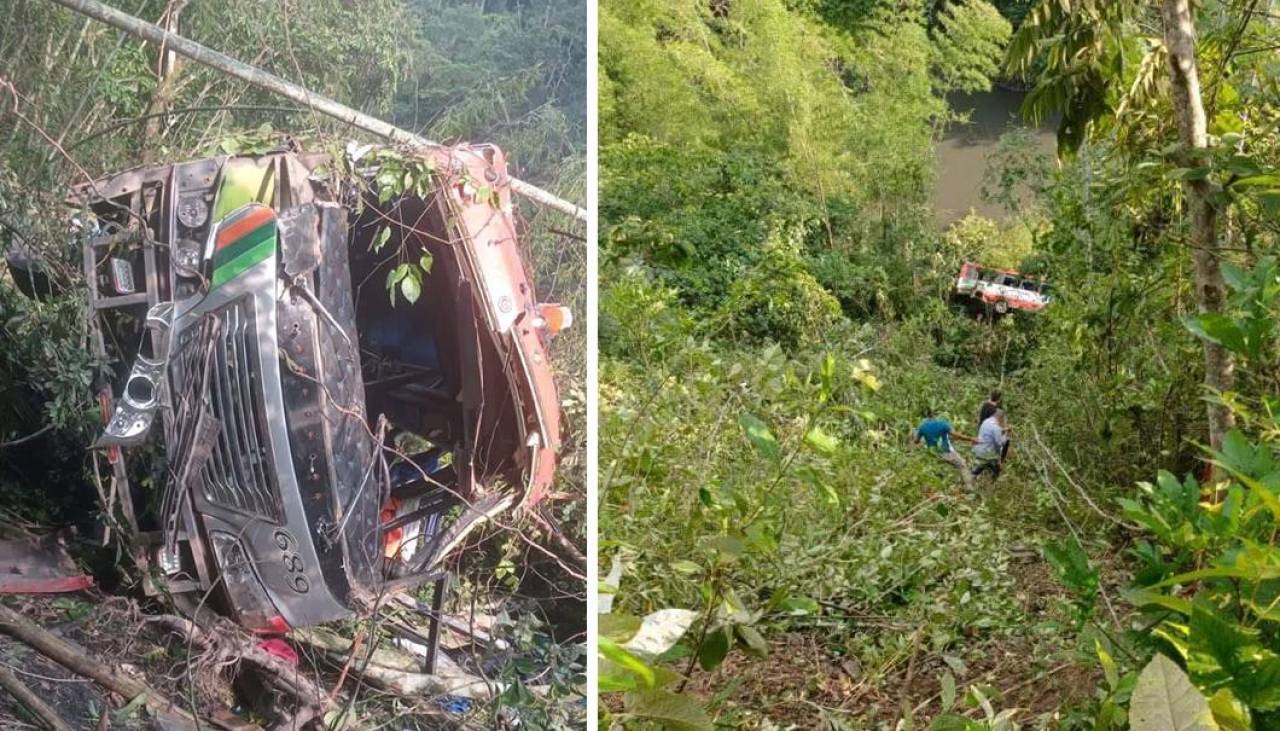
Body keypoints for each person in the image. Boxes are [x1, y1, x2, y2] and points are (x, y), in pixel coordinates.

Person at [913, 408, 976, 488]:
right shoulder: (943, 424)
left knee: (935, 472)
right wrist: (970, 439)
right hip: (946, 452)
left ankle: (939, 486)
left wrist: (917, 434)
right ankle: (969, 487)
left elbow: (916, 441)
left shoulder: (922, 427)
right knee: (962, 465)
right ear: (935, 415)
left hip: (933, 455)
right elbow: (956, 435)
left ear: (926, 416)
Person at [972, 409, 1009, 482]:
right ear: (1000, 418)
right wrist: (1006, 436)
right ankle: (994, 482)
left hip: (979, 449)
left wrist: (1004, 429)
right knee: (996, 467)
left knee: (985, 464)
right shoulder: (996, 427)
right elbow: (999, 443)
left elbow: (992, 432)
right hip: (987, 452)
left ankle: (973, 474)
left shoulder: (986, 421)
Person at [977, 389, 1011, 462]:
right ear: (999, 399)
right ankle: (1001, 461)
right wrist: (1006, 429)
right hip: (990, 434)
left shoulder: (985, 404)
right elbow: (997, 427)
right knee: (1006, 440)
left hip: (981, 430)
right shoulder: (996, 411)